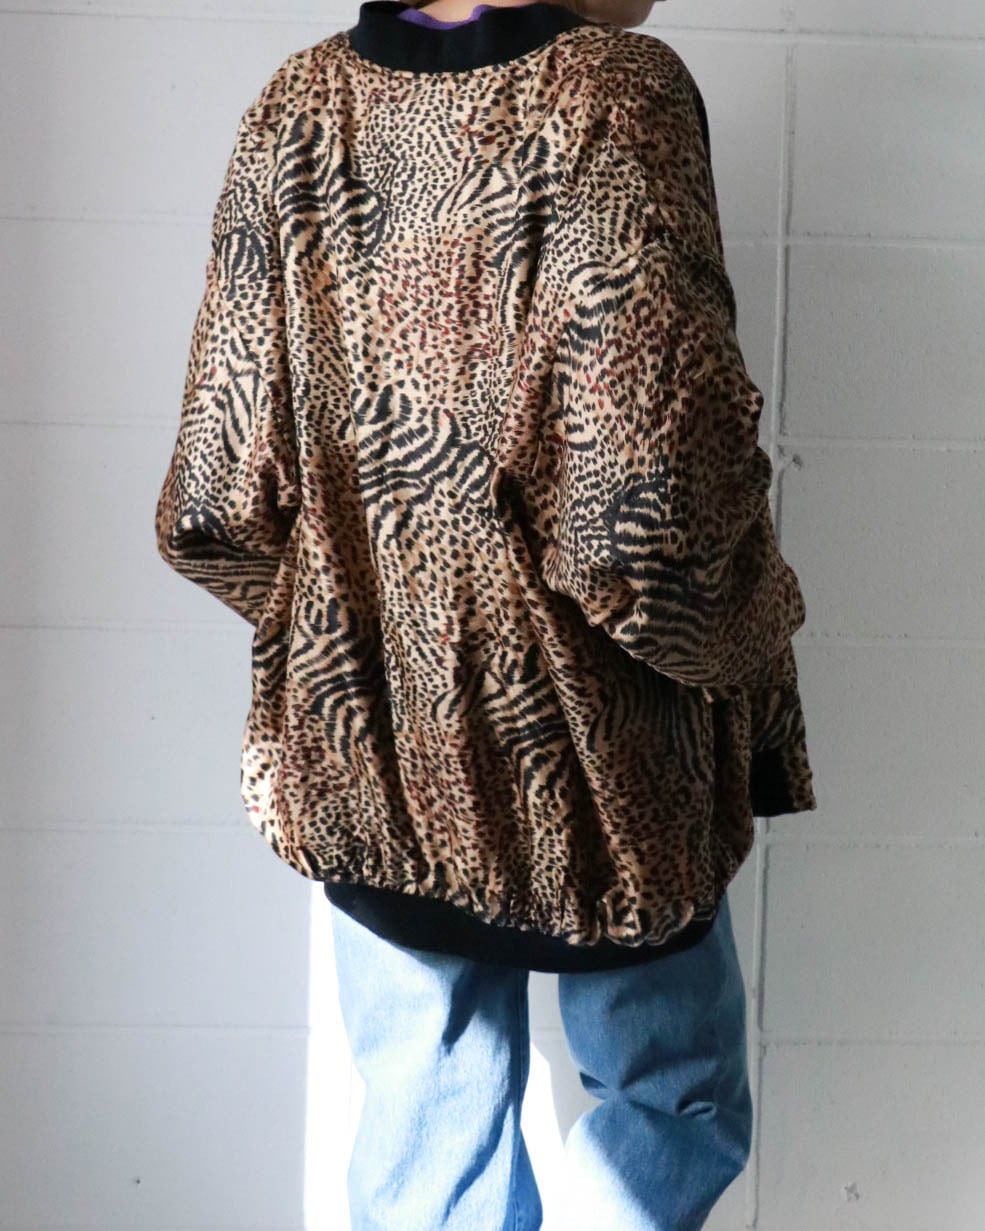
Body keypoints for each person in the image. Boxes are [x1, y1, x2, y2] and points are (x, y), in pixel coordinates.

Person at [154, 0, 817, 1226]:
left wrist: (361, 629)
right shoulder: (613, 94)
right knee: (673, 1099)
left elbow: (214, 492)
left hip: (376, 749)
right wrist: (751, 639)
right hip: (602, 760)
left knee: (428, 1137)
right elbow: (649, 515)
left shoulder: (297, 108)